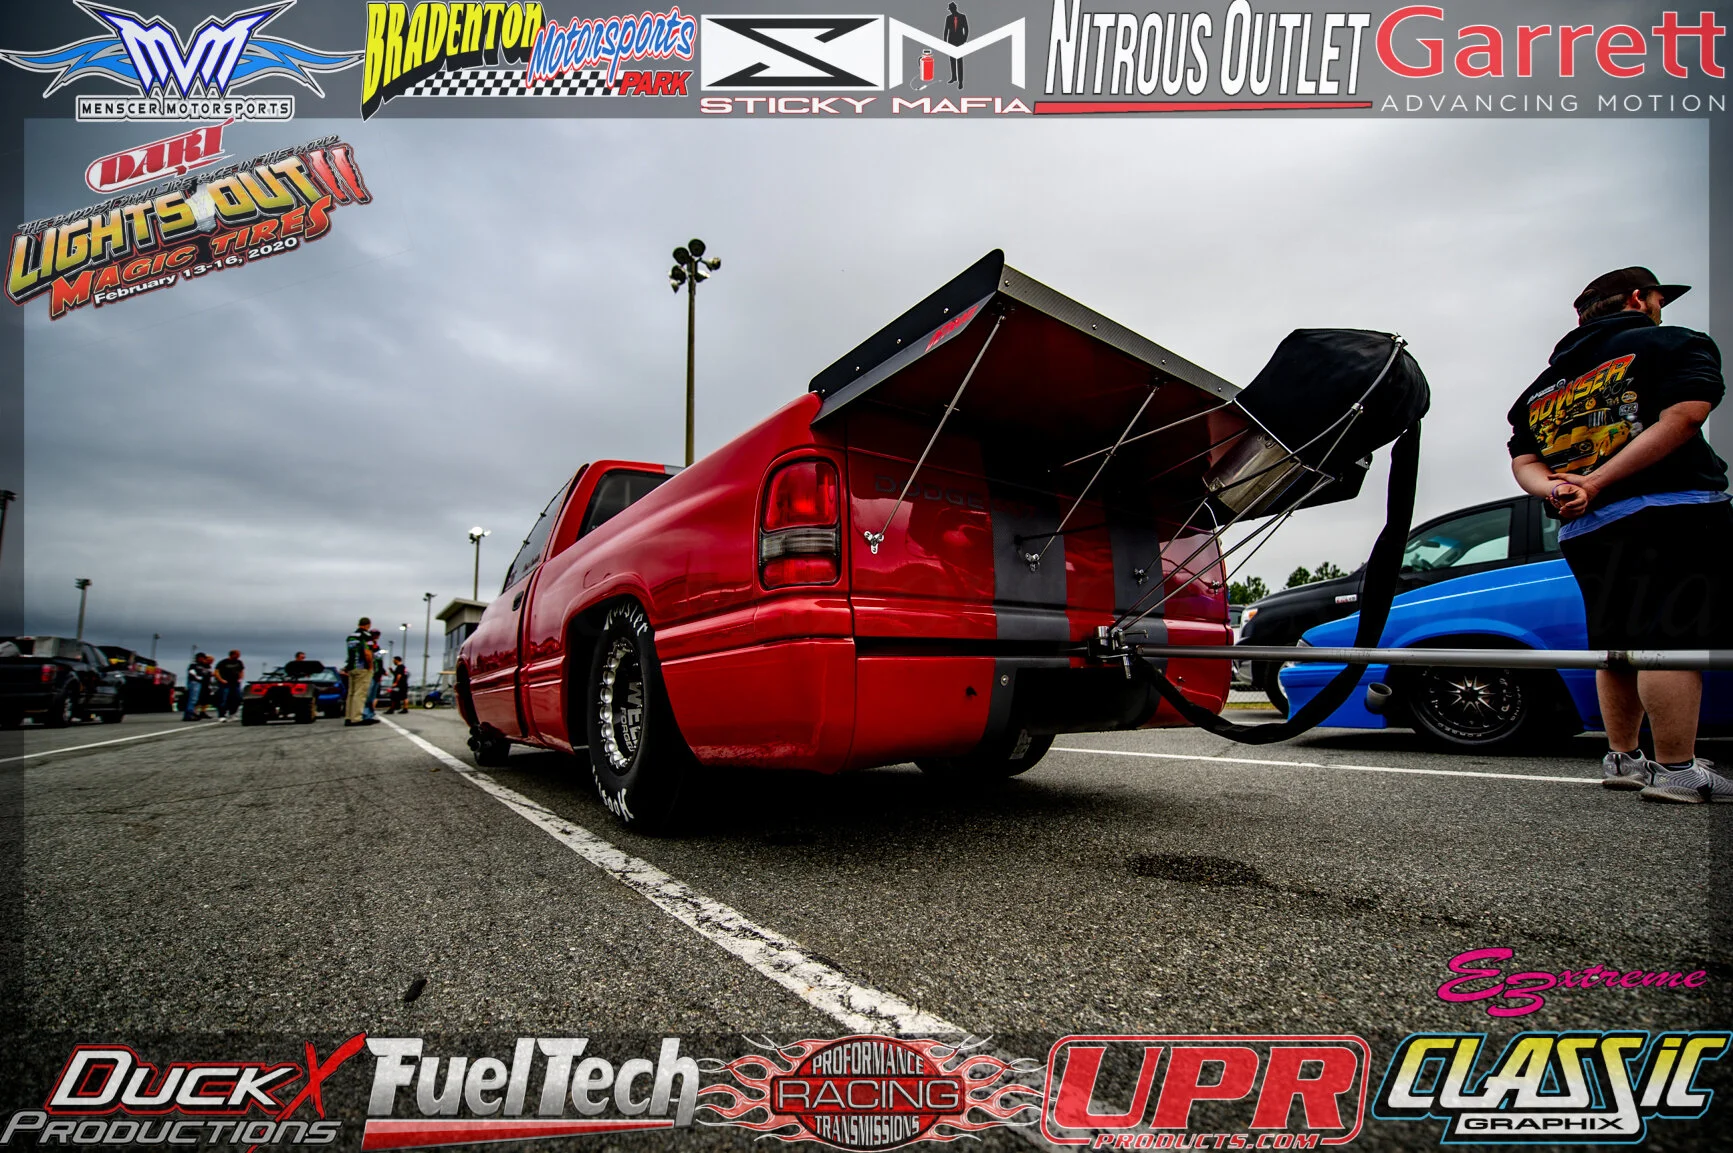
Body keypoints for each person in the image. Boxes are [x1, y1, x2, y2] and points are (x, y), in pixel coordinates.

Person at [1508, 265, 1733, 804]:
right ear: (1638, 298)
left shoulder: (1539, 390)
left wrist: (1560, 489)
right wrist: (1597, 482)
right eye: (1658, 299)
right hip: (1671, 509)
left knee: (1616, 642)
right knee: (1671, 639)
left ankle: (1623, 758)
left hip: (1585, 527)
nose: (1660, 308)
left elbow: (1525, 461)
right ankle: (1678, 770)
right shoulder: (1671, 343)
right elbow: (1685, 417)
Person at [344, 617, 378, 726]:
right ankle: (357, 718)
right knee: (360, 693)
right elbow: (367, 652)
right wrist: (370, 666)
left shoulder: (351, 636)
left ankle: (349, 716)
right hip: (362, 667)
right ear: (368, 625)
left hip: (351, 667)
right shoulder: (366, 635)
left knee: (351, 693)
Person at [213, 649, 245, 722]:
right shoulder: (223, 662)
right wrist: (221, 680)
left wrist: (240, 678)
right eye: (237, 655)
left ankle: (232, 713)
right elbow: (216, 671)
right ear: (232, 655)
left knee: (237, 698)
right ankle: (222, 715)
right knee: (223, 698)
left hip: (235, 683)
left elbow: (241, 671)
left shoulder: (239, 662)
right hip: (225, 683)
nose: (238, 656)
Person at [942, 3, 968, 87]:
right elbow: (946, 30)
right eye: (950, 9)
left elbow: (966, 29)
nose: (951, 10)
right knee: (952, 61)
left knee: (959, 62)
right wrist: (945, 42)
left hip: (960, 41)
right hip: (951, 41)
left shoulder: (962, 17)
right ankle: (954, 77)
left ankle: (960, 82)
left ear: (955, 8)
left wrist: (964, 40)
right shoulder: (948, 18)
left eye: (952, 9)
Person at [182, 652, 211, 721]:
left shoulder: (204, 666)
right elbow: (191, 672)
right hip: (194, 682)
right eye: (202, 658)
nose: (203, 659)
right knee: (193, 699)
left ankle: (191, 713)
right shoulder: (194, 665)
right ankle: (189, 714)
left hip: (200, 683)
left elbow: (207, 673)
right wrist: (198, 677)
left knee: (195, 699)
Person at [364, 629, 385, 721]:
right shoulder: (368, 644)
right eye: (375, 634)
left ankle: (370, 714)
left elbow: (379, 660)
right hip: (371, 672)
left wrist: (382, 671)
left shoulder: (377, 646)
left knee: (373, 695)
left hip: (377, 673)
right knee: (368, 695)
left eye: (377, 635)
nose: (376, 636)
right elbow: (369, 657)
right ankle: (365, 714)